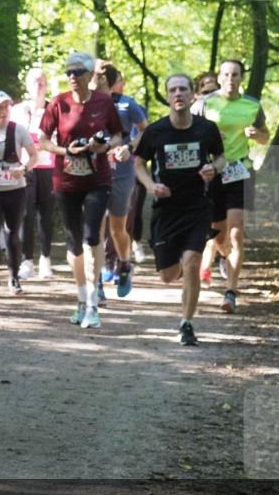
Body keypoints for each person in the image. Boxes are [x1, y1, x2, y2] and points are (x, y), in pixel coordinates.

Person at [135, 74, 225, 345]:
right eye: (173, 89)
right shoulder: (156, 131)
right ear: (167, 95)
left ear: (191, 95)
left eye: (183, 89)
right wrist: (151, 186)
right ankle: (185, 273)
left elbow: (221, 157)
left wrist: (214, 168)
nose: (178, 94)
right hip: (166, 208)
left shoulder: (206, 128)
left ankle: (187, 323)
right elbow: (139, 163)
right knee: (168, 276)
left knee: (192, 262)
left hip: (197, 206)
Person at [39, 52, 123, 329]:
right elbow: (43, 140)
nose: (72, 77)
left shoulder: (103, 101)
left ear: (89, 75)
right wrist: (66, 151)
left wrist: (105, 146)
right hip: (66, 181)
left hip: (98, 178)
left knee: (91, 237)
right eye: (68, 73)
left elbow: (118, 134)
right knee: (74, 243)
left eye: (78, 72)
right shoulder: (58, 103)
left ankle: (93, 304)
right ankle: (81, 296)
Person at [192, 59, 271, 313]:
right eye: (226, 74)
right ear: (220, 77)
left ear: (241, 78)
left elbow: (265, 135)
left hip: (240, 171)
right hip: (213, 172)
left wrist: (256, 135)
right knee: (218, 236)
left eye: (235, 74)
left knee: (237, 234)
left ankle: (230, 292)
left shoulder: (252, 105)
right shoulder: (204, 103)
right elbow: (187, 131)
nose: (230, 78)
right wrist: (208, 137)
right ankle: (224, 256)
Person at [96, 64, 147, 299]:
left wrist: (129, 147)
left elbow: (145, 131)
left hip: (122, 172)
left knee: (117, 229)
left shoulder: (127, 104)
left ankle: (125, 264)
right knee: (95, 228)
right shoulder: (86, 104)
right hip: (94, 172)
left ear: (112, 80)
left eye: (102, 77)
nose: (96, 80)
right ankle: (95, 282)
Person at [0, 91, 39, 295]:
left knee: (13, 232)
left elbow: (34, 156)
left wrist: (23, 169)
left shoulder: (18, 130)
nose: (3, 112)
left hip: (16, 188)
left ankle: (14, 278)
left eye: (6, 107)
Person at [13, 67, 56, 279]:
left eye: (42, 82)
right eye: (34, 82)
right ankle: (27, 260)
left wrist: (45, 145)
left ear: (47, 85)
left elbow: (58, 138)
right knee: (26, 214)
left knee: (46, 215)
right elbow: (11, 137)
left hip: (48, 167)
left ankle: (46, 259)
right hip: (25, 168)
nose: (38, 86)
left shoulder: (54, 108)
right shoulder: (18, 110)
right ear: (27, 86)